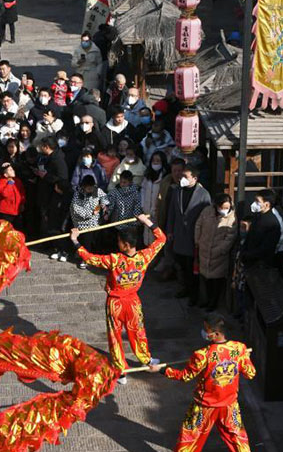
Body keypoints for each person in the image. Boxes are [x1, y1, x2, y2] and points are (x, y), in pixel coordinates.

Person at [151, 312, 257, 452]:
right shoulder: (239, 348)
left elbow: (184, 376)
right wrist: (246, 358)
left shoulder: (202, 355)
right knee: (238, 438)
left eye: (206, 330)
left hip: (203, 406)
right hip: (229, 405)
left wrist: (162, 370)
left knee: (189, 436)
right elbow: (250, 373)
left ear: (215, 333)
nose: (204, 332)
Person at [71, 214, 164, 382]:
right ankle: (146, 359)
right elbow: (161, 239)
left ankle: (121, 370)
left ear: (126, 245)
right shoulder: (144, 257)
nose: (117, 243)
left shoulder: (114, 260)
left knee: (115, 336)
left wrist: (75, 240)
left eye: (119, 241)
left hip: (115, 304)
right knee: (138, 332)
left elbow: (89, 258)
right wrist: (146, 222)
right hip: (133, 302)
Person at [165, 163, 211, 305]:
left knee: (193, 269)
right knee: (181, 266)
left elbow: (207, 217)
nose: (182, 179)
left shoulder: (203, 195)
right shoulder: (177, 191)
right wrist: (170, 230)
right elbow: (172, 212)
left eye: (185, 176)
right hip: (179, 235)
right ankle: (184, 288)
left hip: (194, 237)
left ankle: (194, 294)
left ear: (194, 178)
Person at [194, 193, 237, 311]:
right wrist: (198, 241)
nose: (224, 210)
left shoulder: (232, 218)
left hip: (219, 256)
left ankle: (213, 303)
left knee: (216, 282)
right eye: (222, 207)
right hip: (204, 250)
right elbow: (198, 225)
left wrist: (220, 250)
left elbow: (230, 237)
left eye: (227, 208)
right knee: (204, 279)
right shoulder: (207, 211)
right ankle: (205, 300)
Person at [69, 174, 109, 266]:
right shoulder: (78, 194)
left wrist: (104, 205)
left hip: (95, 222)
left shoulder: (97, 190)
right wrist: (90, 214)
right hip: (81, 222)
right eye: (89, 188)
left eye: (92, 188)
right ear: (83, 187)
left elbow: (104, 197)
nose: (91, 190)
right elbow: (76, 208)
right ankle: (82, 256)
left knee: (90, 240)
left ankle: (86, 257)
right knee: (83, 240)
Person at [140, 152, 167, 245]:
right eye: (154, 160)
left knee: (156, 234)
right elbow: (143, 190)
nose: (155, 162)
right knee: (146, 232)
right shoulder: (147, 175)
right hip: (146, 209)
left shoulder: (165, 177)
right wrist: (143, 205)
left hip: (157, 211)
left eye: (158, 161)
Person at [0, 162, 25, 228]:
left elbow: (22, 192)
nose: (13, 171)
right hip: (6, 211)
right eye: (10, 170)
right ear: (5, 175)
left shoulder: (18, 181)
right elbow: (4, 194)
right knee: (7, 229)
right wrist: (10, 183)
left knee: (18, 228)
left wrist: (22, 203)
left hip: (17, 210)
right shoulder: (2, 181)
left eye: (12, 169)